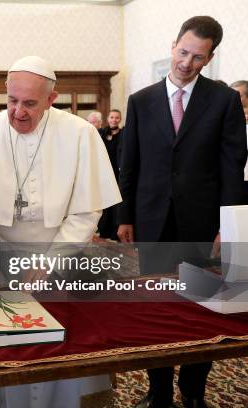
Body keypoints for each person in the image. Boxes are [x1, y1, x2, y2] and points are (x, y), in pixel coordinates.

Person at [0, 56, 121, 408]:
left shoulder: (80, 135)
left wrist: (51, 261)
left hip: (63, 258)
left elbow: (86, 211)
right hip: (4, 257)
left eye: (30, 103)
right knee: (7, 343)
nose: (17, 111)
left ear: (52, 98)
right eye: (12, 100)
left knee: (63, 346)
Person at [117, 16, 247, 408]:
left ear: (209, 59)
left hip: (202, 225)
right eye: (183, 51)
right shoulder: (140, 101)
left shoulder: (223, 101)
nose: (187, 62)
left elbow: (231, 167)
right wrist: (124, 216)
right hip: (153, 222)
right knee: (157, 310)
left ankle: (193, 393)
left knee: (202, 311)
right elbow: (129, 163)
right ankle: (158, 392)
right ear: (174, 45)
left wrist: (229, 225)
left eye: (198, 57)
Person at [97, 109, 123, 240]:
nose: (114, 120)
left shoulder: (123, 134)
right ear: (108, 119)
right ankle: (104, 230)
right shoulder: (101, 133)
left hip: (117, 172)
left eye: (117, 118)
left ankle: (114, 232)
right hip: (103, 172)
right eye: (112, 117)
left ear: (120, 120)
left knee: (116, 203)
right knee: (105, 202)